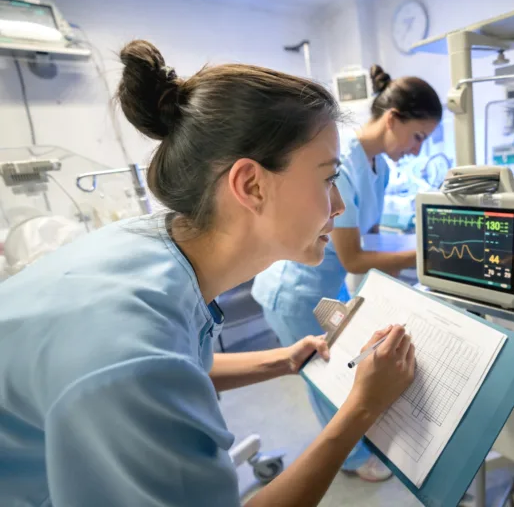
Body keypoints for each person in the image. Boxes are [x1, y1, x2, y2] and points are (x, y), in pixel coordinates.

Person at [0, 40, 416, 507]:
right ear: (250, 185)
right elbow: (145, 367)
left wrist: (280, 359)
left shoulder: (156, 246)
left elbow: (178, 364)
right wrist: (361, 409)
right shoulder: (130, 353)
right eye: (327, 178)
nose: (339, 205)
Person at [252, 64, 442, 481]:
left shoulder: (383, 168)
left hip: (327, 286)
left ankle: (357, 433)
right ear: (392, 119)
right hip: (297, 291)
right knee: (323, 374)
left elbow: (367, 243)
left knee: (346, 364)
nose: (416, 150)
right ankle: (354, 461)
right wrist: (426, 257)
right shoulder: (346, 162)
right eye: (417, 137)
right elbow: (355, 257)